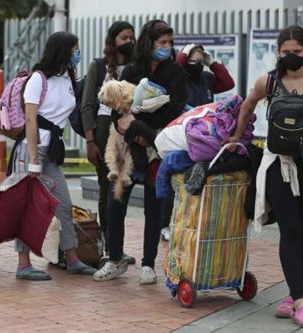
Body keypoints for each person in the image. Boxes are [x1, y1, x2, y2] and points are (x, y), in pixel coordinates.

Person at [228, 25, 303, 328]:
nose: (291, 57)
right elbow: (247, 105)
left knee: (302, 229)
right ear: (278, 52)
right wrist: (237, 136)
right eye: (286, 52)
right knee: (290, 227)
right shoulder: (268, 81)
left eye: (297, 52)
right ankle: (301, 302)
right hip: (277, 162)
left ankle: (292, 296)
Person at [93, 19, 187, 284]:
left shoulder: (175, 73)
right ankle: (115, 259)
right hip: (128, 148)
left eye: (170, 43)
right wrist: (130, 129)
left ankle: (149, 264)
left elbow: (174, 110)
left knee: (154, 208)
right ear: (150, 43)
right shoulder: (132, 70)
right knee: (115, 203)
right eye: (162, 43)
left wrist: (146, 132)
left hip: (158, 147)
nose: (167, 48)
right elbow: (117, 105)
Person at [10, 31, 97, 280]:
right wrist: (34, 159)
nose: (77, 54)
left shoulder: (67, 78)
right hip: (32, 149)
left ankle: (72, 258)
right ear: (62, 51)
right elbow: (30, 118)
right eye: (74, 50)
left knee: (63, 204)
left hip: (52, 150)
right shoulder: (38, 79)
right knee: (26, 206)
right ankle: (23, 263)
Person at [159, 43, 236, 241]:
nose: (197, 64)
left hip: (204, 136)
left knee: (200, 176)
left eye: (201, 61)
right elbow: (177, 68)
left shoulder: (206, 79)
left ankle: (195, 221)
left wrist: (213, 63)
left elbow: (228, 83)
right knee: (173, 172)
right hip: (183, 133)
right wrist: (185, 55)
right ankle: (165, 223)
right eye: (192, 60)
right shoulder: (179, 77)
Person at [81, 21, 136, 264]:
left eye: (131, 37)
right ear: (113, 41)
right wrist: (90, 140)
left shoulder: (136, 67)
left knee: (123, 189)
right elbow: (87, 105)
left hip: (131, 131)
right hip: (104, 132)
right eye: (124, 37)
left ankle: (117, 246)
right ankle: (109, 247)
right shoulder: (99, 66)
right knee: (107, 188)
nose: (129, 41)